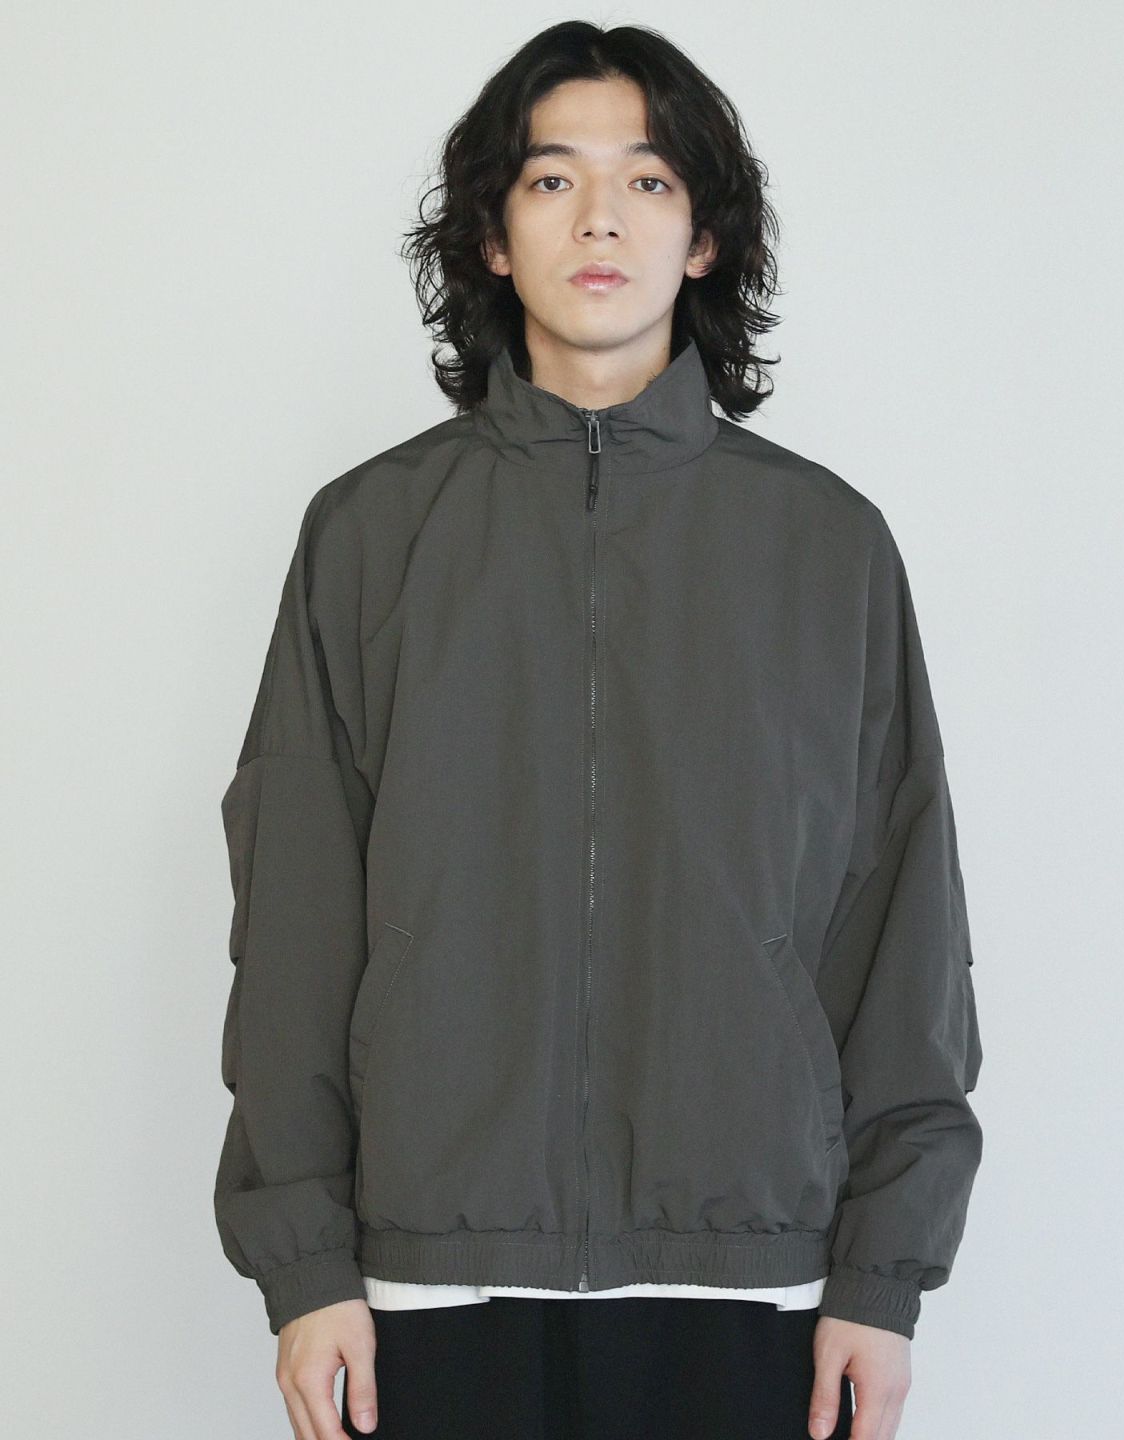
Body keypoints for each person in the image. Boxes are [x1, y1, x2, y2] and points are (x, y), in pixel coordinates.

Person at [213, 20, 983, 1440]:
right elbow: (298, 913)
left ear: (703, 239)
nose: (601, 219)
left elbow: (904, 925)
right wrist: (306, 1266)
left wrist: (883, 1276)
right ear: (493, 239)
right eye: (552, 180)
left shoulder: (826, 546)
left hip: (749, 1275)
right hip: (428, 1273)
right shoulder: (371, 535)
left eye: (648, 180)